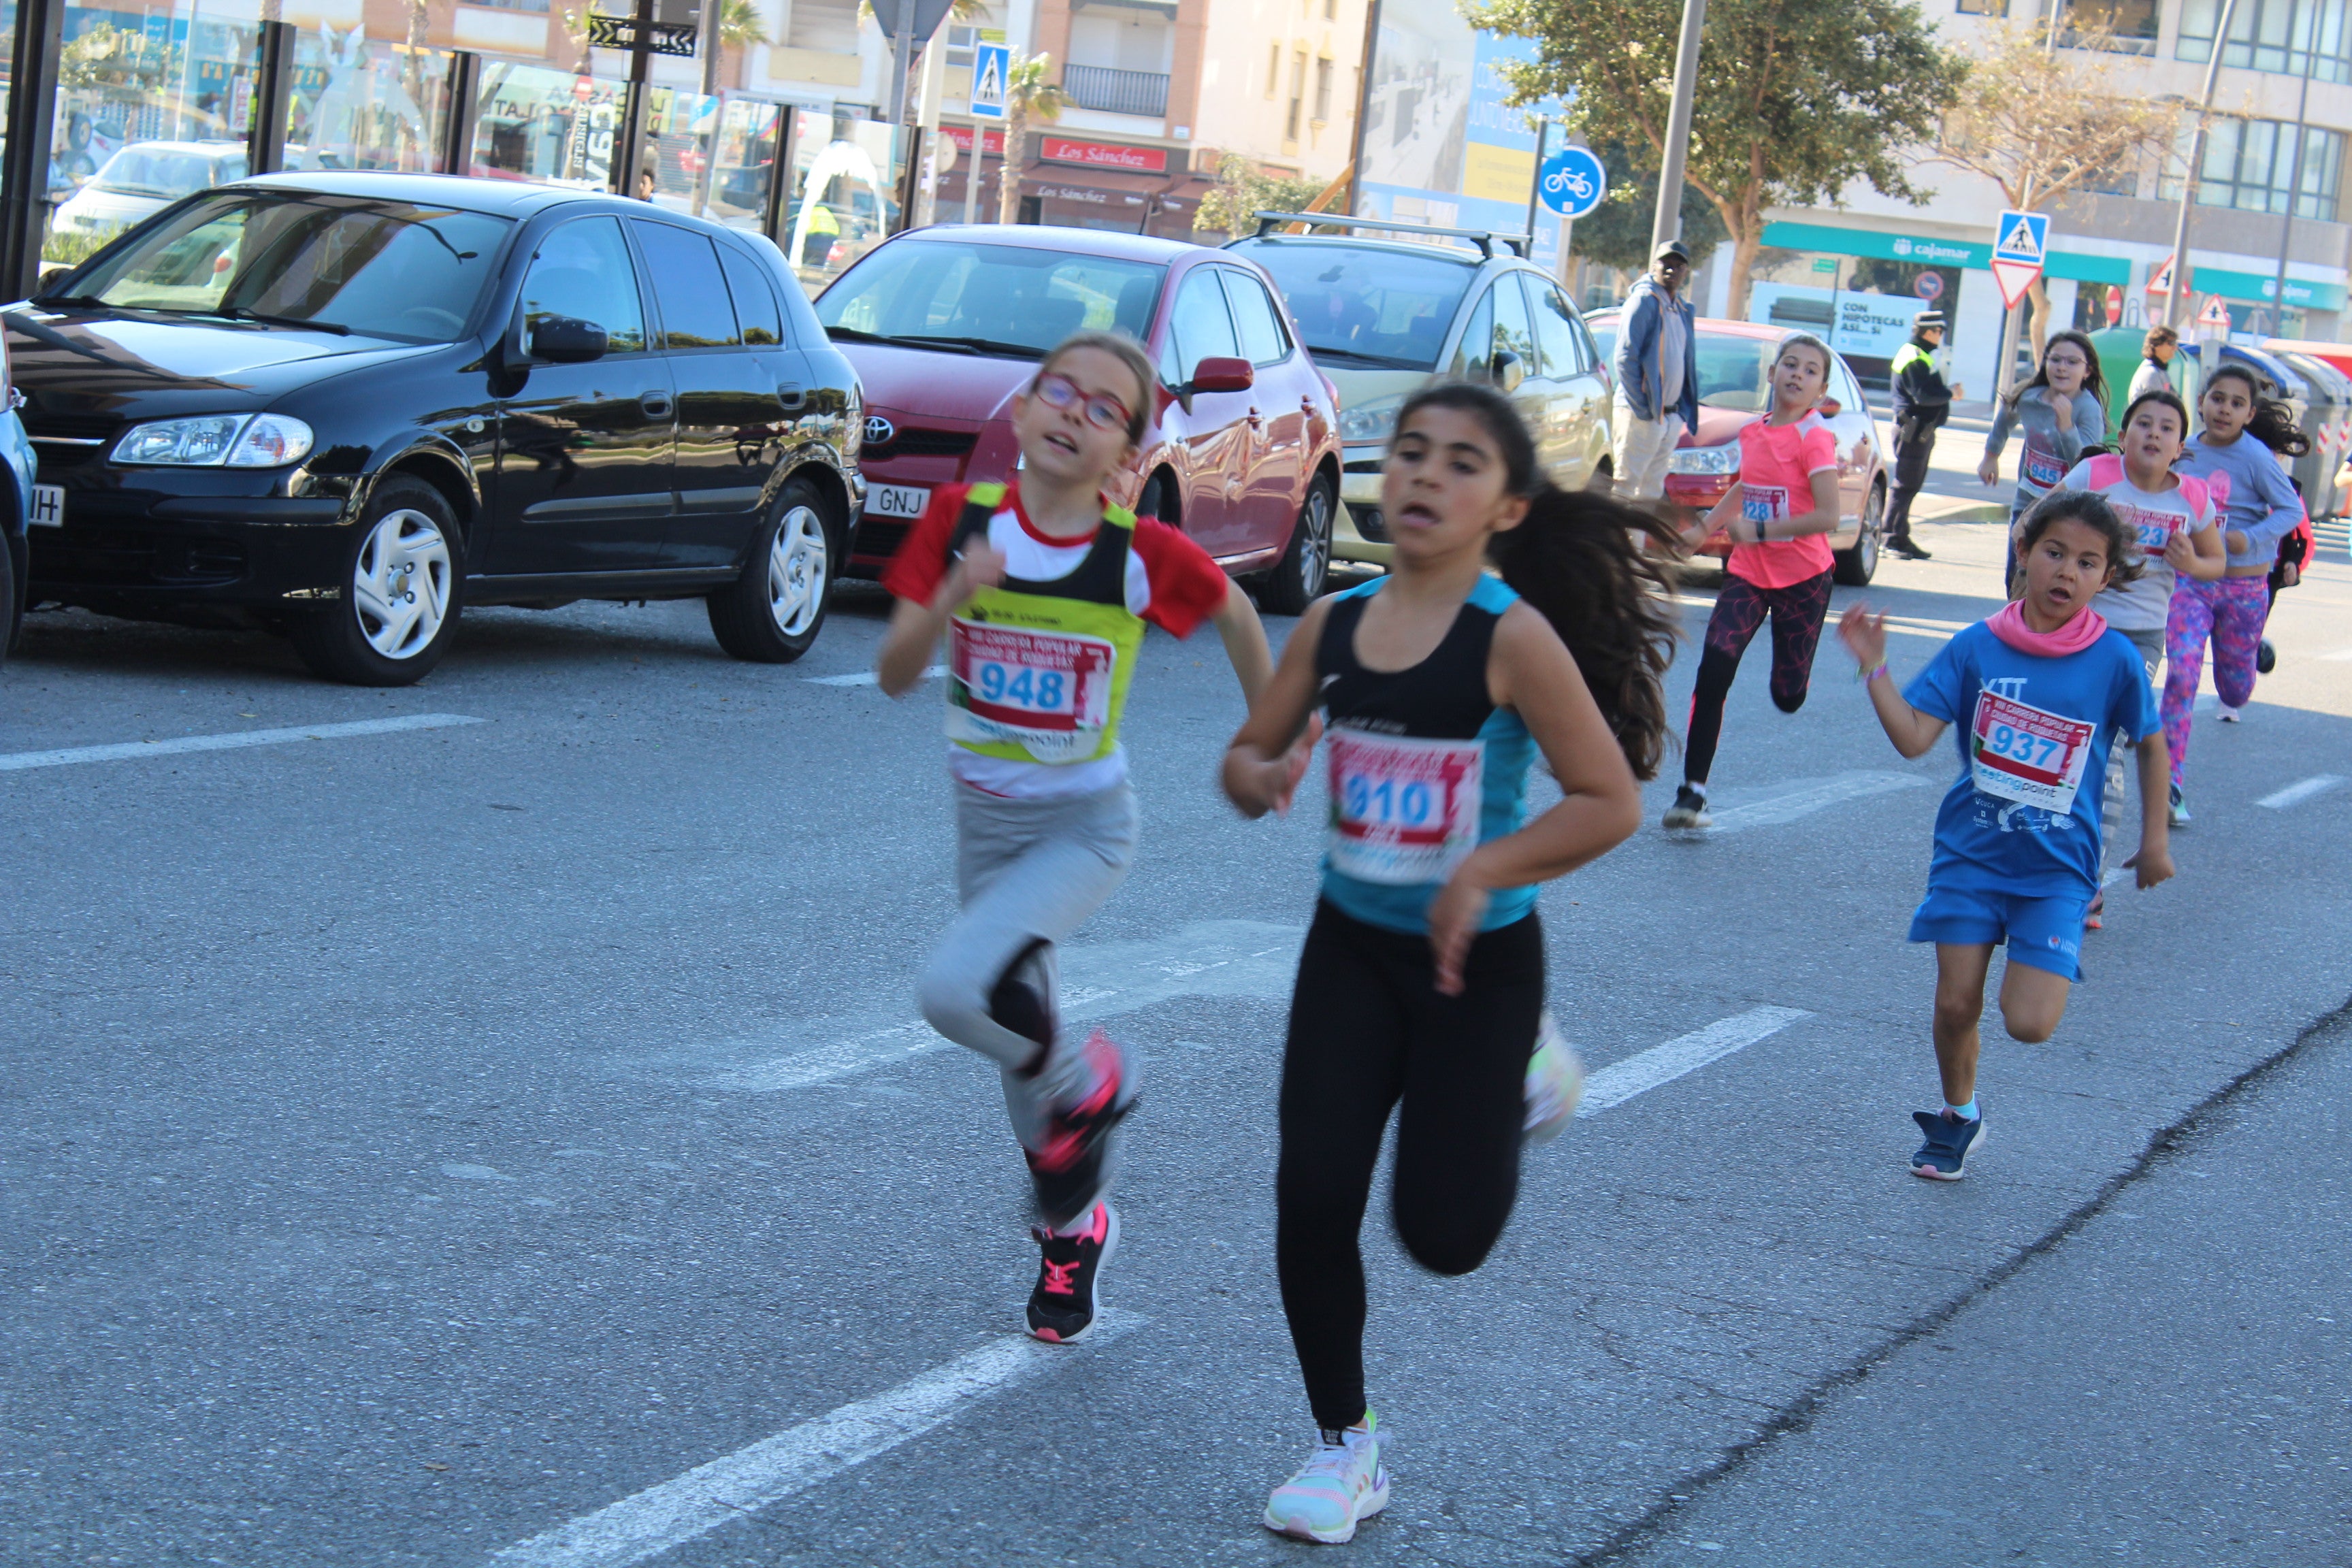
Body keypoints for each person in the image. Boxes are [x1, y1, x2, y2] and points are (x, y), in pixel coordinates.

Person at [1221, 381, 1670, 1544]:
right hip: (1352, 951)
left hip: (1482, 966)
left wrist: (1481, 871)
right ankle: (1343, 1445)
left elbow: (1608, 800)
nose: (1425, 473)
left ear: (1507, 507)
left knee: (1445, 1235)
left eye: (1462, 462)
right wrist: (1261, 774)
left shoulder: (1510, 635)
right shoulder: (1332, 623)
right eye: (1411, 451)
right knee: (1311, 1192)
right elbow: (1248, 753)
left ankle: (1528, 1068)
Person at [875, 329, 1279, 1344]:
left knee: (956, 996)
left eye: (1106, 409)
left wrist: (1272, 733)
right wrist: (952, 599)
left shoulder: (1134, 555)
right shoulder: (962, 523)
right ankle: (1075, 1227)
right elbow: (892, 671)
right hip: (985, 829)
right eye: (1060, 391)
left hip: (1084, 831)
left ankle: (1101, 1075)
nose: (1074, 412)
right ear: (1020, 411)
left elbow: (1236, 610)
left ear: (1131, 459)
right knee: (1017, 1049)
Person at [1836, 490, 2172, 1181]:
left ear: (2106, 578)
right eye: (2054, 553)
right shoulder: (1975, 648)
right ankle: (1959, 1116)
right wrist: (1875, 667)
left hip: (2056, 869)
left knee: (2029, 1023)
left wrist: (2158, 839)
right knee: (1957, 1000)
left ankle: (1974, 1095)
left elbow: (2151, 744)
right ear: (2023, 552)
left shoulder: (2115, 662)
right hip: (1971, 855)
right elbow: (1912, 739)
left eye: (2086, 562)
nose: (2066, 573)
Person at [2055, 389, 2223, 928]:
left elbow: (2217, 563)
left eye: (2167, 427)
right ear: (2122, 435)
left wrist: (2192, 560)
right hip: (2076, 625)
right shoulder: (2096, 478)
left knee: (2109, 752)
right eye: (2143, 424)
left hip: (2139, 641)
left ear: (2180, 446)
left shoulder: (2193, 499)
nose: (2154, 433)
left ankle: (2090, 883)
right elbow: (2041, 522)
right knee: (2062, 745)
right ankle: (2043, 865)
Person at [1660, 333, 1843, 832]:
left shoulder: (1814, 436)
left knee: (1788, 696)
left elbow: (1830, 514)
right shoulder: (1756, 431)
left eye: (1809, 371)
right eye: (1789, 364)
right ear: (1772, 374)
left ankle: (1794, 677)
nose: (1797, 375)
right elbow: (1749, 485)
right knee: (1714, 667)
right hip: (1748, 574)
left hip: (1804, 578)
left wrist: (1761, 530)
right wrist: (1705, 527)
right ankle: (1691, 793)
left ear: (1820, 389)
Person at [2164, 363, 2310, 821]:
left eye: (2236, 403)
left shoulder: (2256, 458)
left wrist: (2251, 538)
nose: (2224, 409)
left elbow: (2290, 509)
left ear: (2249, 414)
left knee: (2235, 688)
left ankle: (2248, 663)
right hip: (2192, 581)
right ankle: (2171, 781)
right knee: (2183, 673)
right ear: (2202, 401)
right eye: (2217, 398)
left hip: (2245, 585)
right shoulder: (2184, 452)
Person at [1982, 329, 2108, 587]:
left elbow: (2087, 466)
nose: (2062, 368)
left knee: (2049, 577)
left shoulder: (2087, 409)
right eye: (2055, 360)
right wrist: (1991, 455)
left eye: (2073, 362)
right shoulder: (2030, 397)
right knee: (2017, 573)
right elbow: (2006, 416)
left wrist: (2066, 428)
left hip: (2066, 509)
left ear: (2088, 371)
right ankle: (2016, 620)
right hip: (2027, 500)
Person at [1610, 240, 1700, 502]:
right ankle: (1613, 544)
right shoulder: (1643, 301)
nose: (1672, 270)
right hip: (1643, 414)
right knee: (1625, 488)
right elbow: (1625, 358)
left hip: (1669, 417)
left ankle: (1636, 546)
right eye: (1666, 264)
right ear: (1654, 266)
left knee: (1649, 493)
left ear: (1686, 272)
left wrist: (1678, 414)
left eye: (1679, 265)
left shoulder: (1683, 309)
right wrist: (1643, 409)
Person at [1885, 311, 1953, 560]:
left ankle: (1900, 535)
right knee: (1904, 486)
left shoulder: (1922, 355)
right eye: (1939, 331)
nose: (1940, 336)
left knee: (1912, 485)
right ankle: (1890, 537)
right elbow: (1923, 395)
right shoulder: (1914, 357)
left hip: (1920, 431)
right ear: (1927, 332)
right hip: (1911, 431)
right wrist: (1950, 394)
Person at [2127, 325, 2182, 405]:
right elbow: (2158, 408)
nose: (2175, 348)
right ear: (2157, 345)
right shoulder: (2151, 374)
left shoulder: (2161, 371)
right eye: (2171, 343)